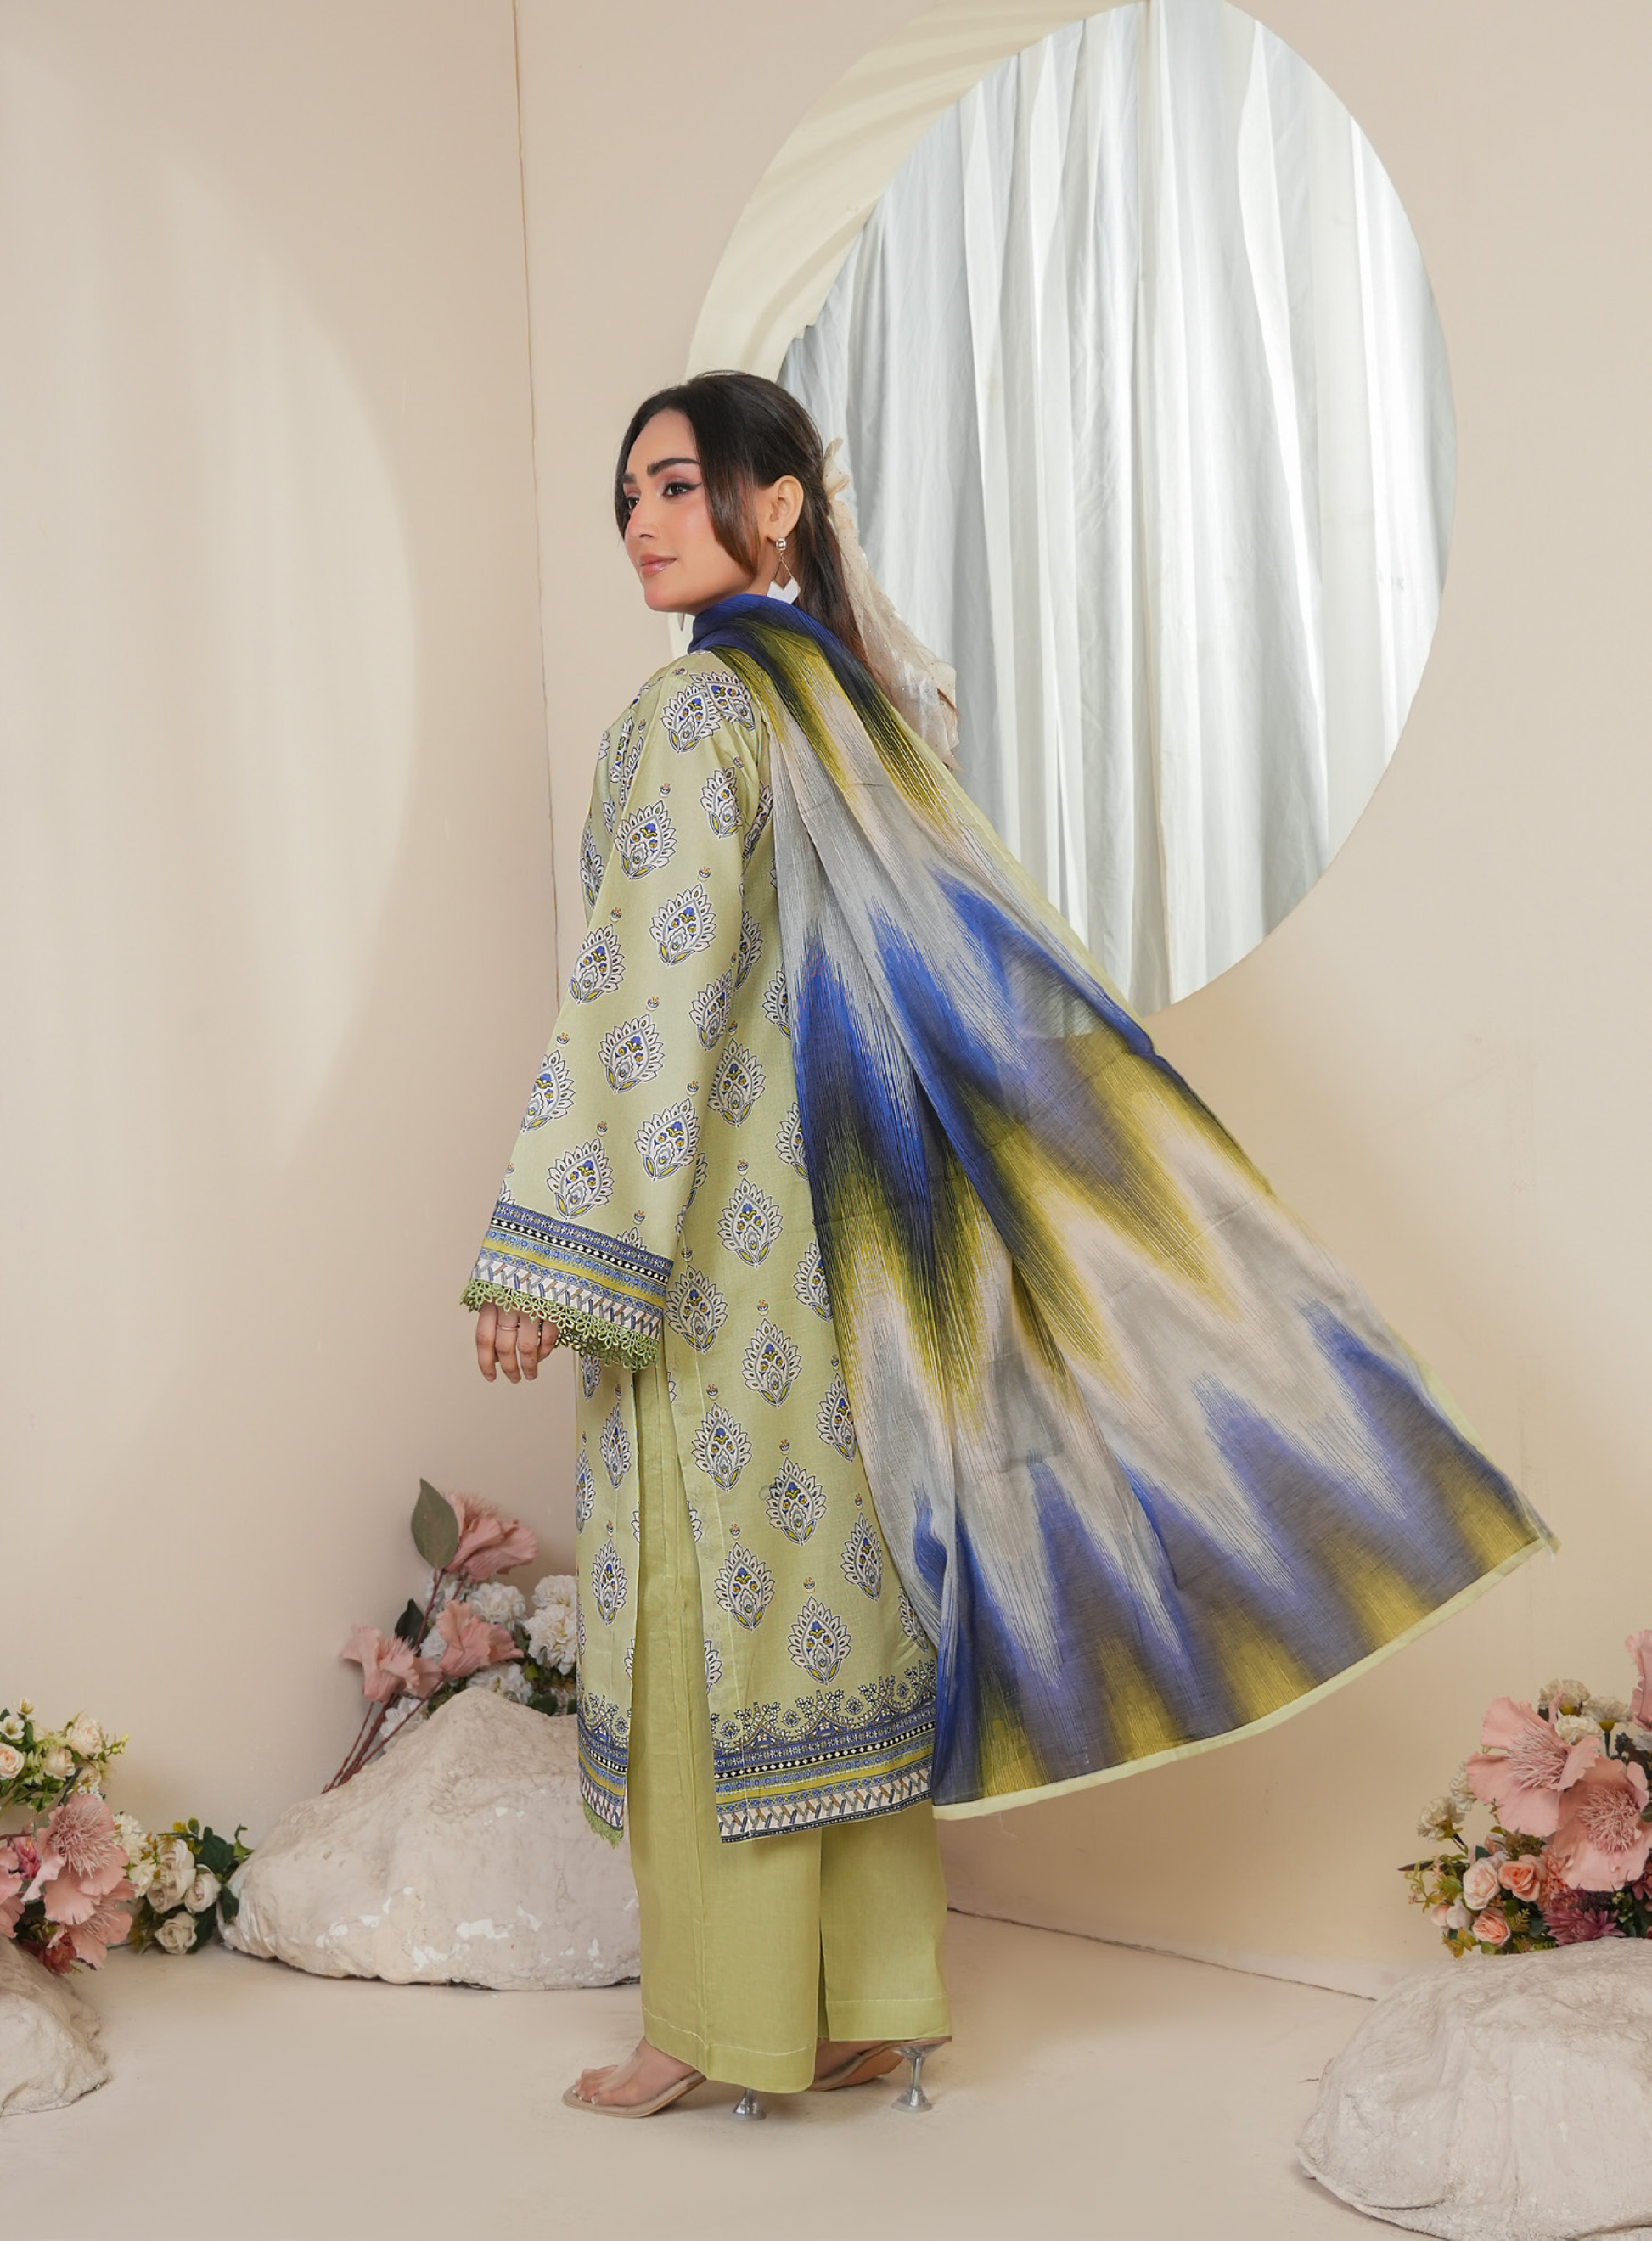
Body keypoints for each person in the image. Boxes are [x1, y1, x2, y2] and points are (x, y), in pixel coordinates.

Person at [464, 372, 1554, 2118]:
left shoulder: (696, 716)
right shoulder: (857, 711)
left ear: (778, 503)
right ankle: (869, 2000)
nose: (643, 524)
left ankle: (715, 2027)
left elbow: (641, 1005)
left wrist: (550, 1254)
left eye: (676, 485)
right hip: (860, 1262)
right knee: (835, 1619)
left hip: (714, 1260)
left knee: (708, 1620)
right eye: (627, 498)